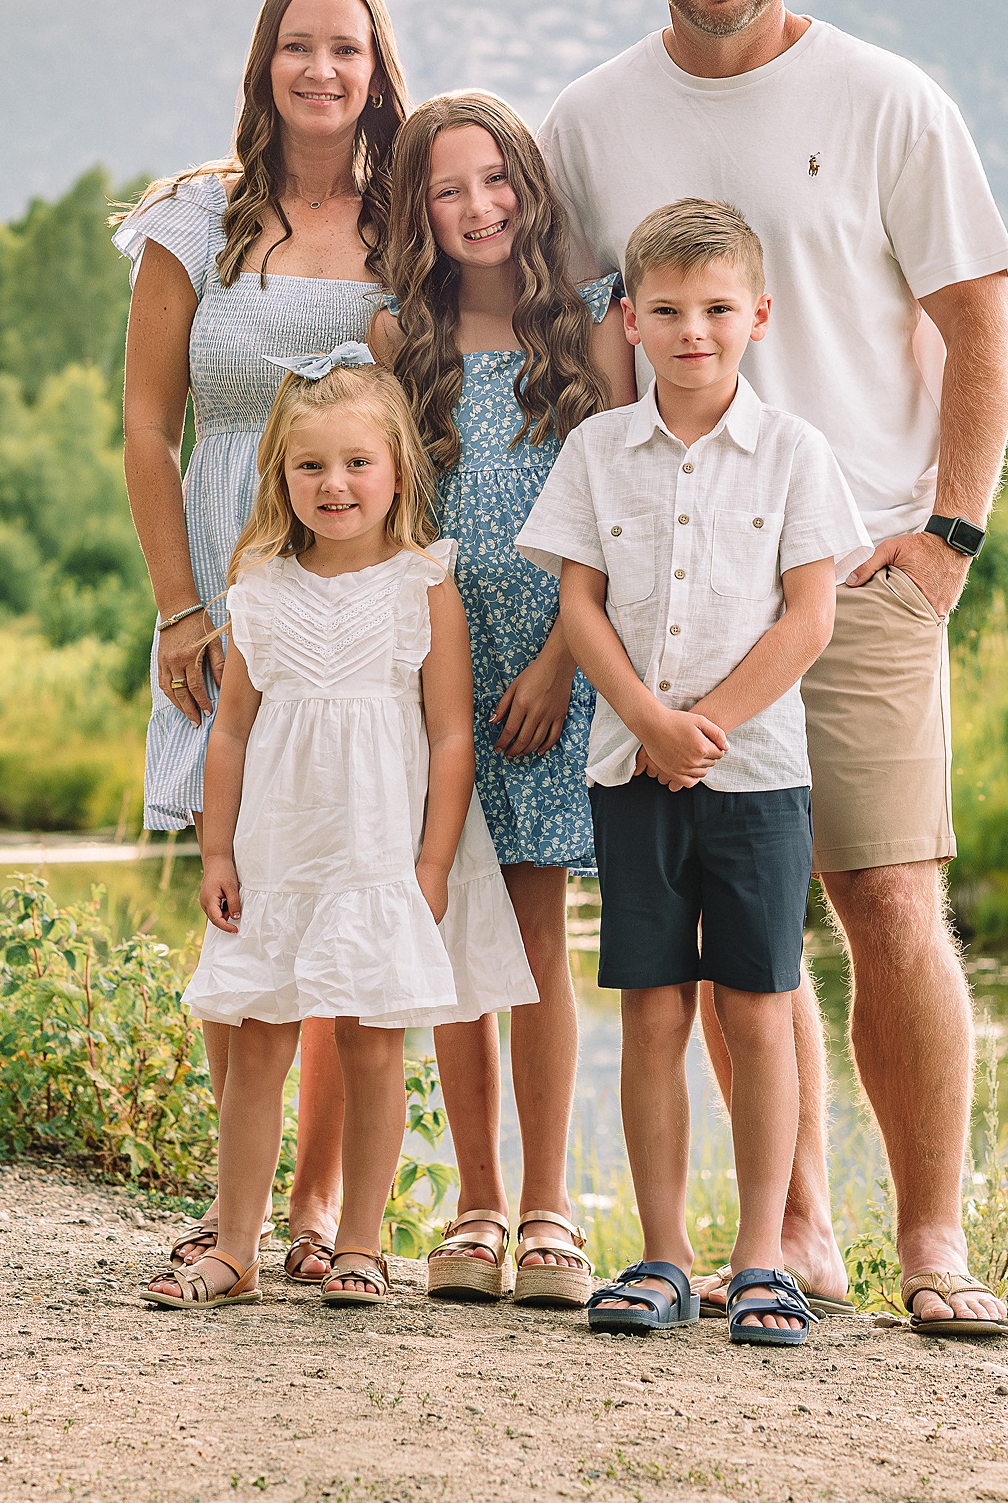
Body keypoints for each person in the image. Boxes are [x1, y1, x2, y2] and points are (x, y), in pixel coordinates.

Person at [539, 0, 1008, 1338]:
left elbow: (982, 322)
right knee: (739, 929)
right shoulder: (590, 120)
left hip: (855, 563)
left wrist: (949, 536)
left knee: (887, 892)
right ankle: (792, 1229)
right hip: (666, 581)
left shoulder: (888, 102)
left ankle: (932, 1242)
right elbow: (541, 327)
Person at [517, 199, 870, 1347]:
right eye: (664, 310)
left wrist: (703, 725)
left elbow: (810, 617)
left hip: (757, 779)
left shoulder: (796, 454)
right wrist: (645, 723)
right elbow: (578, 602)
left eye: (717, 309)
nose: (692, 331)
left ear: (757, 317)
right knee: (654, 1010)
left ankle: (762, 1260)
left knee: (759, 1014)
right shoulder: (594, 452)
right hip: (628, 773)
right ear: (627, 318)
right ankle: (663, 1255)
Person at [115, 0, 407, 1284]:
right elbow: (144, 427)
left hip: (357, 581)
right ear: (264, 62)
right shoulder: (197, 220)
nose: (323, 70)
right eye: (301, 46)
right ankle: (229, 1208)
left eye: (346, 48)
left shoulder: (405, 221)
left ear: (376, 67)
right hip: (230, 583)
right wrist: (181, 607)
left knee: (349, 897)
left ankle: (319, 1216)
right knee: (237, 898)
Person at [139, 347, 537, 1312]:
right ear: (281, 474)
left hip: (377, 852)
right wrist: (220, 847)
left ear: (398, 466)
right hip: (281, 850)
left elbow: (449, 734)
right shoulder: (262, 583)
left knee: (370, 1044)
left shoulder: (421, 583)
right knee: (258, 1037)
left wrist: (433, 860)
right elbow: (230, 730)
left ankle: (362, 1242)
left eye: (358, 461)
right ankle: (235, 1243)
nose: (335, 484)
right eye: (310, 465)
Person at [369, 93, 636, 1308]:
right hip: (433, 679)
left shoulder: (584, 332)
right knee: (450, 941)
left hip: (548, 674)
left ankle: (548, 1209)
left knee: (532, 941)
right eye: (445, 189)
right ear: (417, 211)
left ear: (526, 188)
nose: (476, 208)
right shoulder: (396, 342)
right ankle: (472, 1203)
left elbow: (624, 519)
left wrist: (564, 665)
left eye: (494, 182)